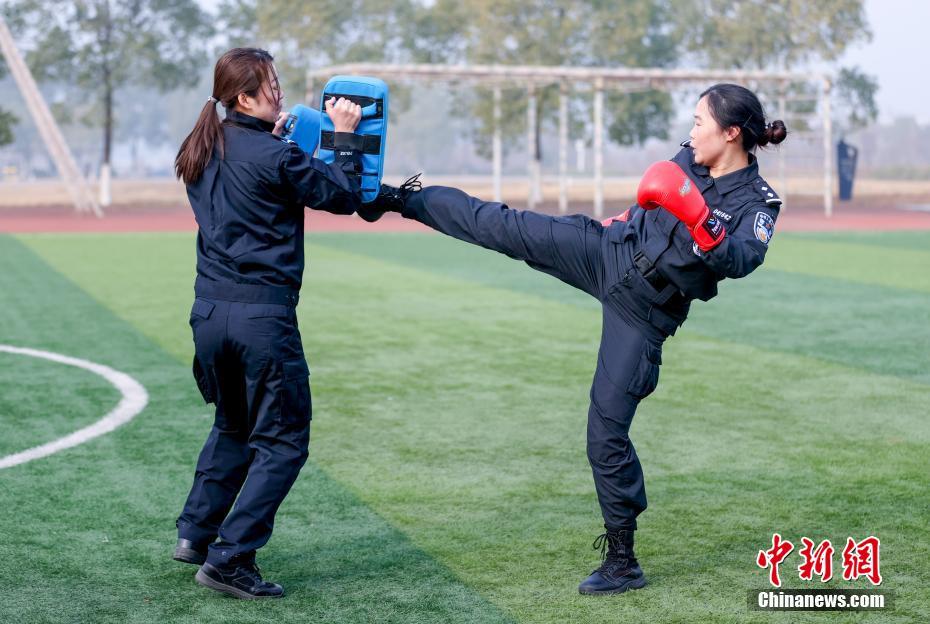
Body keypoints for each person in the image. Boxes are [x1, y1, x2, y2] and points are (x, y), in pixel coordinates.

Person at [365, 83, 787, 595]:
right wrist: (630, 217)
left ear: (732, 133)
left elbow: (741, 261)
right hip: (608, 249)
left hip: (646, 310)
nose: (691, 131)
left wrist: (698, 217)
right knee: (505, 225)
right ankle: (394, 198)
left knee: (605, 433)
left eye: (700, 122)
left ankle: (622, 560)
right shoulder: (692, 155)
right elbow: (650, 195)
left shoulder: (758, 202)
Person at [172, 47, 364, 599]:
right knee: (282, 441)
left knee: (233, 423)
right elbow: (343, 195)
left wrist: (280, 136)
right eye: (271, 86)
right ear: (244, 97)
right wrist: (343, 134)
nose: (280, 93)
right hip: (261, 316)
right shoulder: (275, 157)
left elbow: (253, 169)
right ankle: (230, 558)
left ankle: (197, 534)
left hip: (209, 313)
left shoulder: (201, 148)